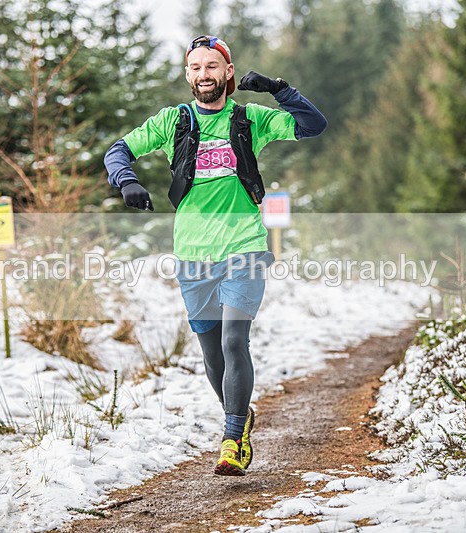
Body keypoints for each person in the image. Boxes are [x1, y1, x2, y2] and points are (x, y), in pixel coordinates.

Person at [104, 35, 326, 476]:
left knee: (232, 339)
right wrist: (126, 180)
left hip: (244, 246)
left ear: (228, 72)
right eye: (195, 68)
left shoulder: (250, 120)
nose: (203, 75)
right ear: (188, 75)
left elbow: (313, 124)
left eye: (211, 67)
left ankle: (230, 438)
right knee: (211, 353)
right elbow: (118, 150)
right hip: (192, 253)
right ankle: (240, 417)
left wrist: (279, 88)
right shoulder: (174, 121)